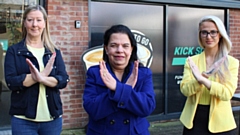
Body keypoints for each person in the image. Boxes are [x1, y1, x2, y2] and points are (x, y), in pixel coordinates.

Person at [4, 5, 69, 135]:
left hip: (52, 120)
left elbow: (63, 80)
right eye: (30, 20)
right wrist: (38, 77)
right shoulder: (14, 51)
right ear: (24, 23)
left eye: (39, 20)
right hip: (23, 120)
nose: (35, 24)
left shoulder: (53, 52)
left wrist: (41, 78)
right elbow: (11, 82)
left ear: (45, 23)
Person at [83, 24, 156, 135]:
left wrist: (116, 88)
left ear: (131, 49)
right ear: (106, 49)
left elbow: (147, 107)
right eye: (114, 45)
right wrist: (124, 91)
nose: (119, 50)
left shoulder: (143, 73)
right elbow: (93, 110)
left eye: (125, 46)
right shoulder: (95, 72)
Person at [180, 15, 239, 135]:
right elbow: (185, 90)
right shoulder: (192, 61)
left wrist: (203, 80)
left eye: (213, 32)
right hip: (194, 121)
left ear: (220, 34)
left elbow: (227, 94)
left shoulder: (231, 62)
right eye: (204, 32)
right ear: (200, 35)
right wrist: (198, 81)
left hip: (222, 124)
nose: (208, 37)